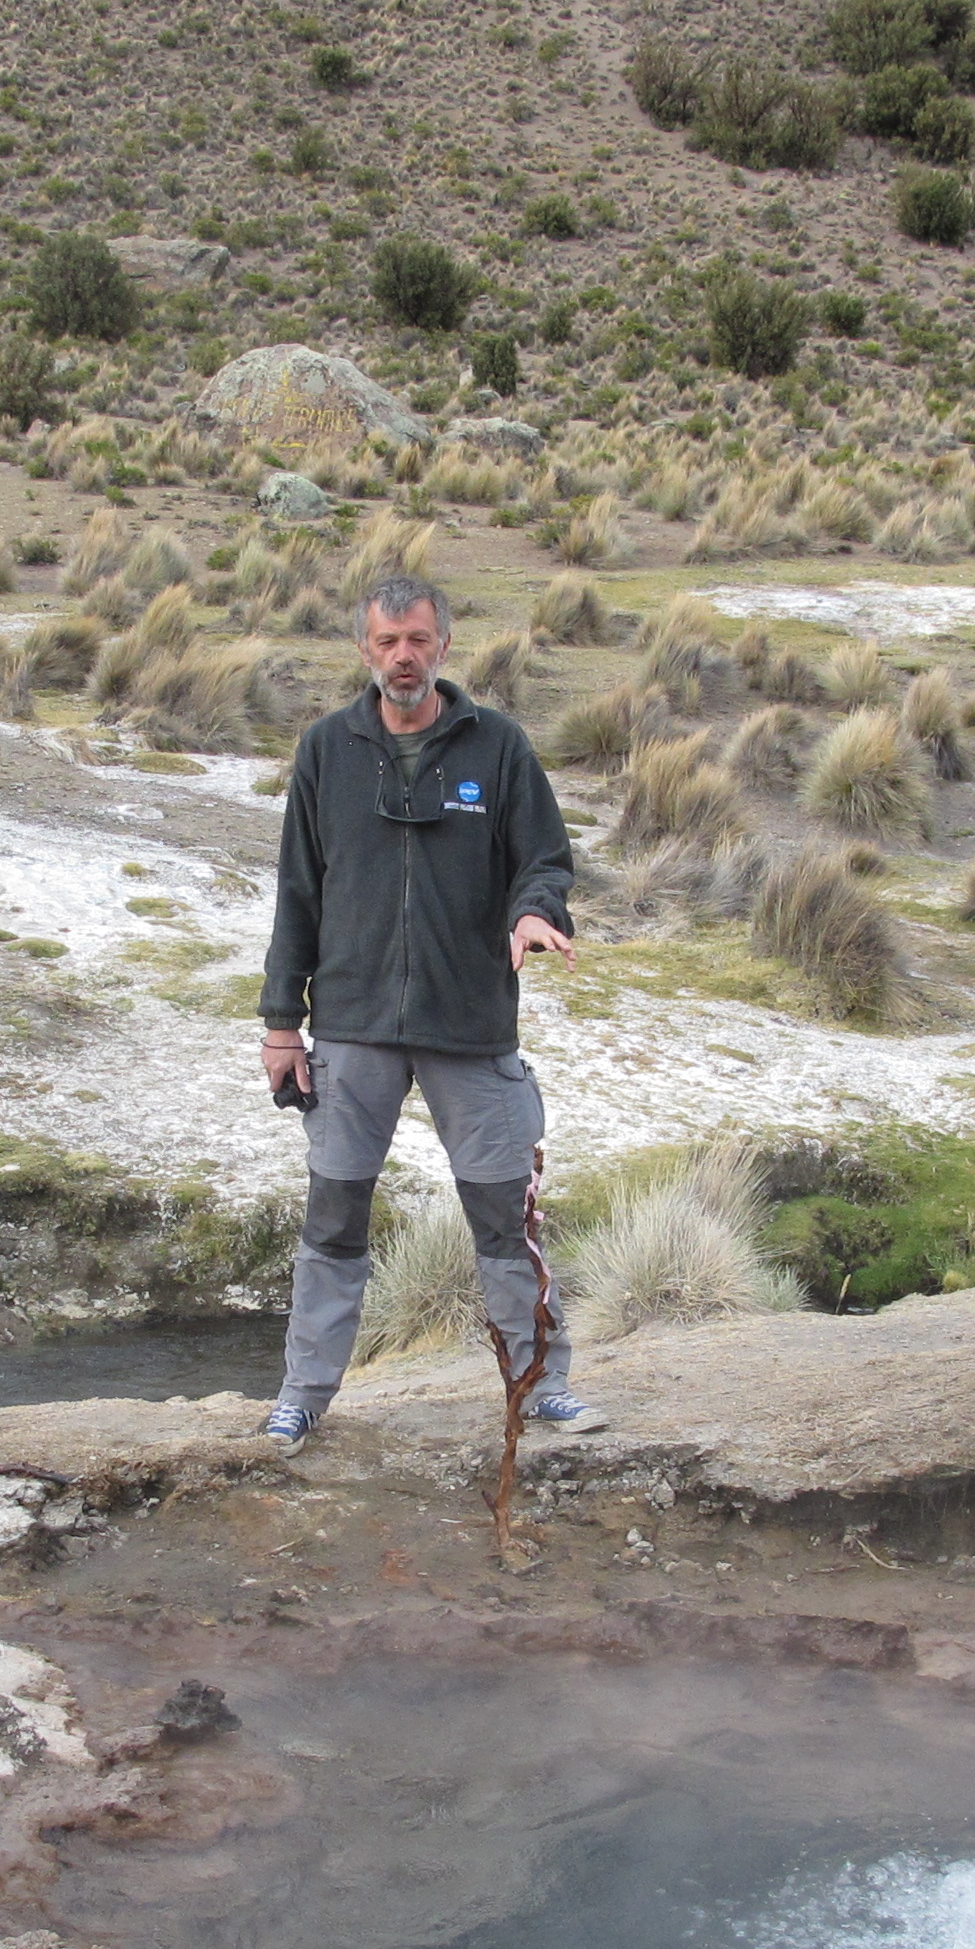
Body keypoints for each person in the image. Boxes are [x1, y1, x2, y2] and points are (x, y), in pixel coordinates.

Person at [255, 574, 603, 1449]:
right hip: (351, 1026)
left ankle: (538, 1383)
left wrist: (535, 911)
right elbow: (298, 893)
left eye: (417, 640)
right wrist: (279, 1022)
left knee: (503, 1221)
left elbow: (546, 861)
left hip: (470, 1024)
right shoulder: (327, 750)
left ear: (444, 646)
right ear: (366, 651)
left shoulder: (500, 747)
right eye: (386, 642)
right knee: (332, 1220)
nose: (402, 657)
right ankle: (303, 1394)